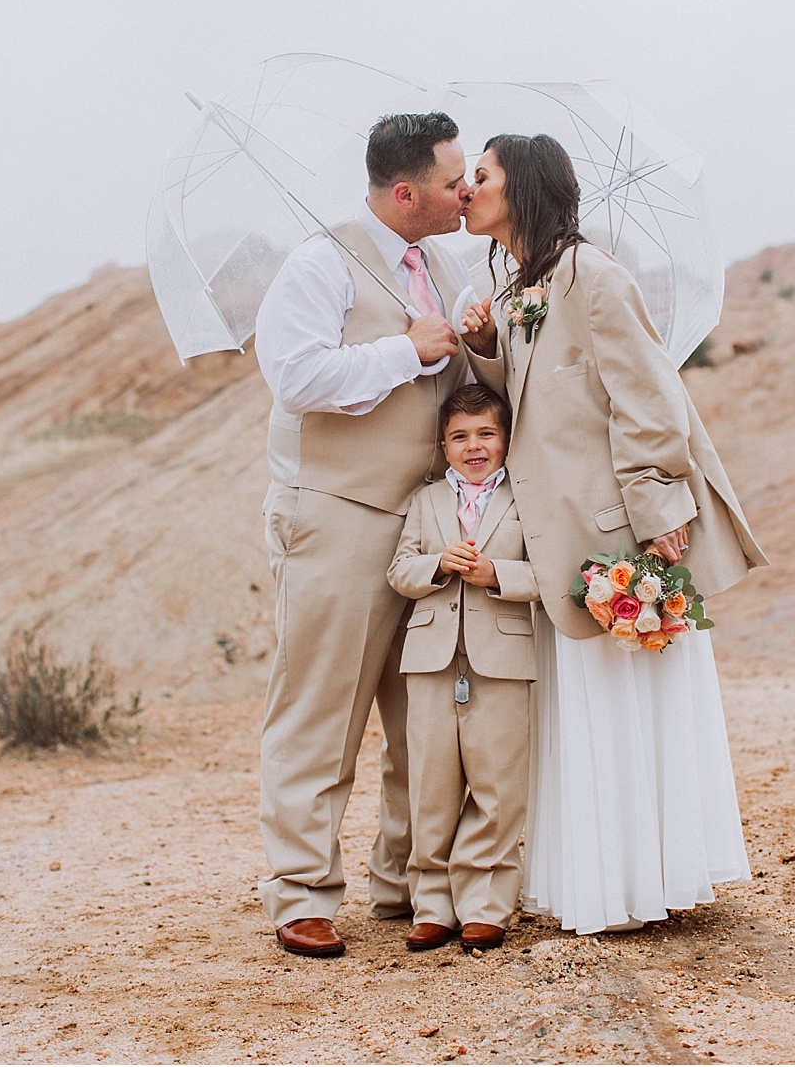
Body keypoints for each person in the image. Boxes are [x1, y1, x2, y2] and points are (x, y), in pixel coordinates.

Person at [457, 132, 766, 935]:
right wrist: (487, 348)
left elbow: (648, 398)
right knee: (584, 713)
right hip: (557, 531)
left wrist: (659, 501)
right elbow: (528, 403)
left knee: (628, 706)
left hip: (614, 532)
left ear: (519, 189)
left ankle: (647, 881)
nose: (466, 188)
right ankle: (600, 881)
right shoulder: (519, 284)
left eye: (480, 177)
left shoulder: (594, 276)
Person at [253, 110, 475, 958]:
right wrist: (406, 350)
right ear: (409, 191)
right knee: (322, 709)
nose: (466, 193)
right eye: (455, 182)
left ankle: (404, 881)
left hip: (427, 525)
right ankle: (302, 893)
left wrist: (471, 348)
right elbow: (300, 377)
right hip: (339, 515)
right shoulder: (319, 265)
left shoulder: (447, 265)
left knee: (425, 714)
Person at [387, 383, 537, 953]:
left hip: (500, 658)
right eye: (460, 437)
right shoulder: (426, 501)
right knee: (431, 782)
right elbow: (399, 569)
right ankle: (432, 903)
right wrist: (437, 564)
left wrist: (497, 574)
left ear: (504, 439)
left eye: (485, 435)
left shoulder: (525, 498)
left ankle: (487, 903)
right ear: (443, 445)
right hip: (431, 658)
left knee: (497, 783)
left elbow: (548, 573)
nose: (474, 447)